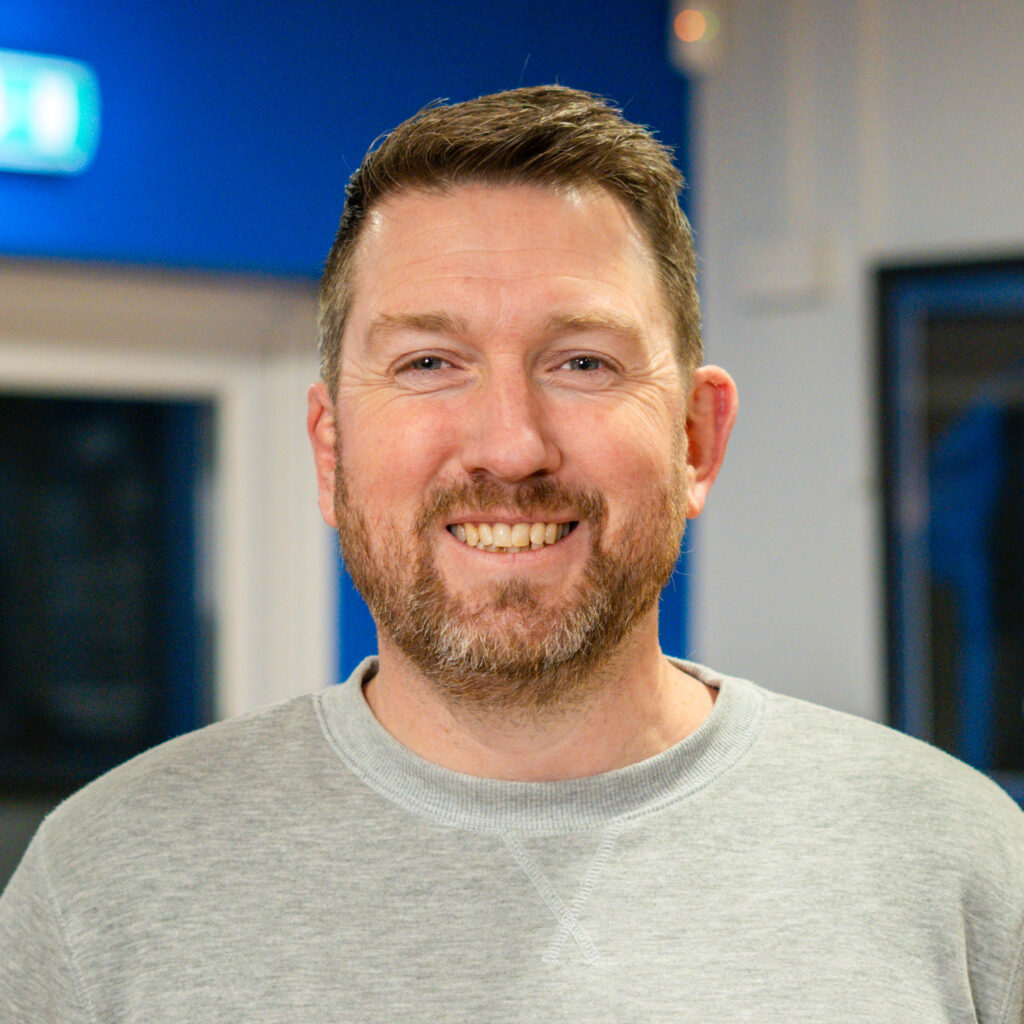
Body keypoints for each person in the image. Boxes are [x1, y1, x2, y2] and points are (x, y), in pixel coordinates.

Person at [2, 85, 1022, 1023]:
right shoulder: (100, 891)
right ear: (330, 450)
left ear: (695, 439)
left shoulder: (959, 869)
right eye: (428, 362)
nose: (509, 446)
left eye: (582, 362)